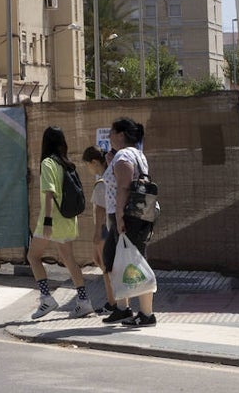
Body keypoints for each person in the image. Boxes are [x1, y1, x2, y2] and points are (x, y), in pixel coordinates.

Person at [27, 126, 93, 319]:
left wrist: (47, 222)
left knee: (33, 256)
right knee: (69, 259)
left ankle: (46, 298)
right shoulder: (67, 164)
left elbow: (49, 193)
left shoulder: (48, 163)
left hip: (51, 219)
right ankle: (83, 300)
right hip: (68, 219)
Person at [101, 117, 157, 326]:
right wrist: (110, 163)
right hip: (135, 215)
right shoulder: (136, 155)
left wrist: (119, 217)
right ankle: (123, 308)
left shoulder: (124, 155)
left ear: (121, 135)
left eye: (111, 133)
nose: (109, 137)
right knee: (114, 260)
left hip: (126, 216)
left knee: (135, 262)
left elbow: (124, 187)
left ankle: (147, 313)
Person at [82, 145, 114, 312]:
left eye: (87, 164)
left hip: (104, 231)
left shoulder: (101, 183)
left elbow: (100, 210)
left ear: (94, 162)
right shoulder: (109, 179)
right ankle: (113, 302)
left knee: (107, 269)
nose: (88, 169)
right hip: (108, 229)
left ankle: (113, 303)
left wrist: (96, 233)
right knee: (103, 265)